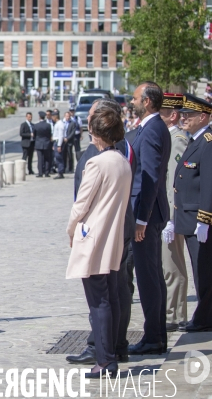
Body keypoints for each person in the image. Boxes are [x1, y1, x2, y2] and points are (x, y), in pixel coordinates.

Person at [66, 98, 137, 366]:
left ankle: (105, 359)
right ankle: (113, 352)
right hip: (115, 234)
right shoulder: (121, 159)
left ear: (97, 134)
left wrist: (71, 229)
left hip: (95, 236)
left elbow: (80, 205)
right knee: (114, 296)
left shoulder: (97, 162)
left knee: (99, 302)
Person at [128, 81, 171, 356]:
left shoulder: (153, 130)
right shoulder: (150, 127)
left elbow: (151, 177)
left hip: (148, 215)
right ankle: (156, 334)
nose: (131, 101)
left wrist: (141, 220)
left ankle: (154, 336)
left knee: (148, 278)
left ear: (146, 102)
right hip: (149, 213)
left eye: (135, 98)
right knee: (152, 276)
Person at [168, 93, 212, 332]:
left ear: (203, 116)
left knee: (204, 270)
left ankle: (205, 318)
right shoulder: (195, 140)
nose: (184, 118)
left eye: (189, 115)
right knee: (199, 269)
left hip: (199, 219)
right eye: (183, 114)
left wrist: (204, 218)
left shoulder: (208, 141)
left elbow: (208, 183)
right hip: (188, 216)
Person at [159, 93, 189, 333]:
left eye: (161, 113)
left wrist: (170, 218)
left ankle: (175, 314)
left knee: (172, 264)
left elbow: (173, 181)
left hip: (170, 213)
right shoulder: (166, 136)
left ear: (173, 115)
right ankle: (171, 312)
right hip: (163, 212)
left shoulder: (176, 139)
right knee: (166, 263)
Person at [34, 111, 52, 178]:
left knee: (40, 158)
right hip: (46, 143)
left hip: (39, 143)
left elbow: (34, 135)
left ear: (39, 117)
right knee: (47, 158)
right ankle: (47, 172)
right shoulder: (48, 125)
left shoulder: (36, 125)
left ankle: (40, 173)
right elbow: (49, 134)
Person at [52, 111, 66, 179]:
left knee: (59, 158)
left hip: (58, 142)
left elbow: (60, 135)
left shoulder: (60, 124)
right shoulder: (57, 123)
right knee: (57, 158)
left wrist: (59, 145)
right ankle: (59, 171)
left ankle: (60, 172)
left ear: (55, 117)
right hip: (56, 142)